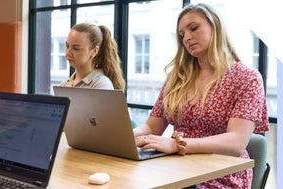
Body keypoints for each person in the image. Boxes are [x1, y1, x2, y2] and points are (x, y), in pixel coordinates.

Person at [133, 3, 269, 188]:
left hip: (221, 173)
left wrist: (178, 145)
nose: (187, 37)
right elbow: (152, 126)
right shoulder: (177, 77)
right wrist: (126, 137)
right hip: (175, 168)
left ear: (215, 26)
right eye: (182, 35)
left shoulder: (247, 78)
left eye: (194, 28)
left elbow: (236, 141)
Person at [60, 23, 125, 91]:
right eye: (67, 46)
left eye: (76, 48)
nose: (68, 53)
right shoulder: (64, 85)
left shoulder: (102, 85)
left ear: (94, 51)